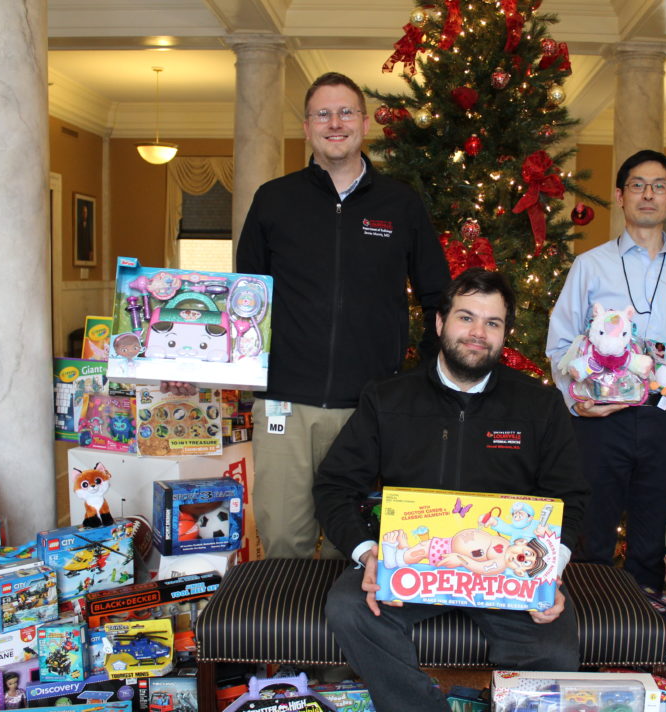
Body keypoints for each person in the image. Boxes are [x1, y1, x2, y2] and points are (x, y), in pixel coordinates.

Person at [168, 72, 449, 559]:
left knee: (358, 546)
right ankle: (291, 638)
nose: (334, 123)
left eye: (345, 112)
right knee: (284, 541)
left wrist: (420, 375)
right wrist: (189, 365)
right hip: (285, 405)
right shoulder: (274, 200)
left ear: (364, 122)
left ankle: (347, 636)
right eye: (323, 113)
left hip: (370, 407)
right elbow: (242, 303)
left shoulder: (400, 204)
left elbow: (438, 296)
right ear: (306, 126)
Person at [314, 269, 589, 712]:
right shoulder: (387, 398)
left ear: (504, 335)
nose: (478, 333)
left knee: (554, 650)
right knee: (350, 608)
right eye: (466, 318)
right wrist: (368, 553)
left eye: (492, 323)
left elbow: (569, 496)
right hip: (415, 566)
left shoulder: (539, 405)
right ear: (440, 323)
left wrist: (548, 570)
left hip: (510, 574)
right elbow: (334, 485)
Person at [546, 149, 666, 592]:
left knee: (649, 544)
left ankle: (639, 638)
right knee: (591, 538)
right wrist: (577, 401)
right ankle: (587, 632)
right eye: (638, 186)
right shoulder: (591, 265)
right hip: (601, 421)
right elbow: (561, 341)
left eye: (659, 186)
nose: (649, 194)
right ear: (621, 196)